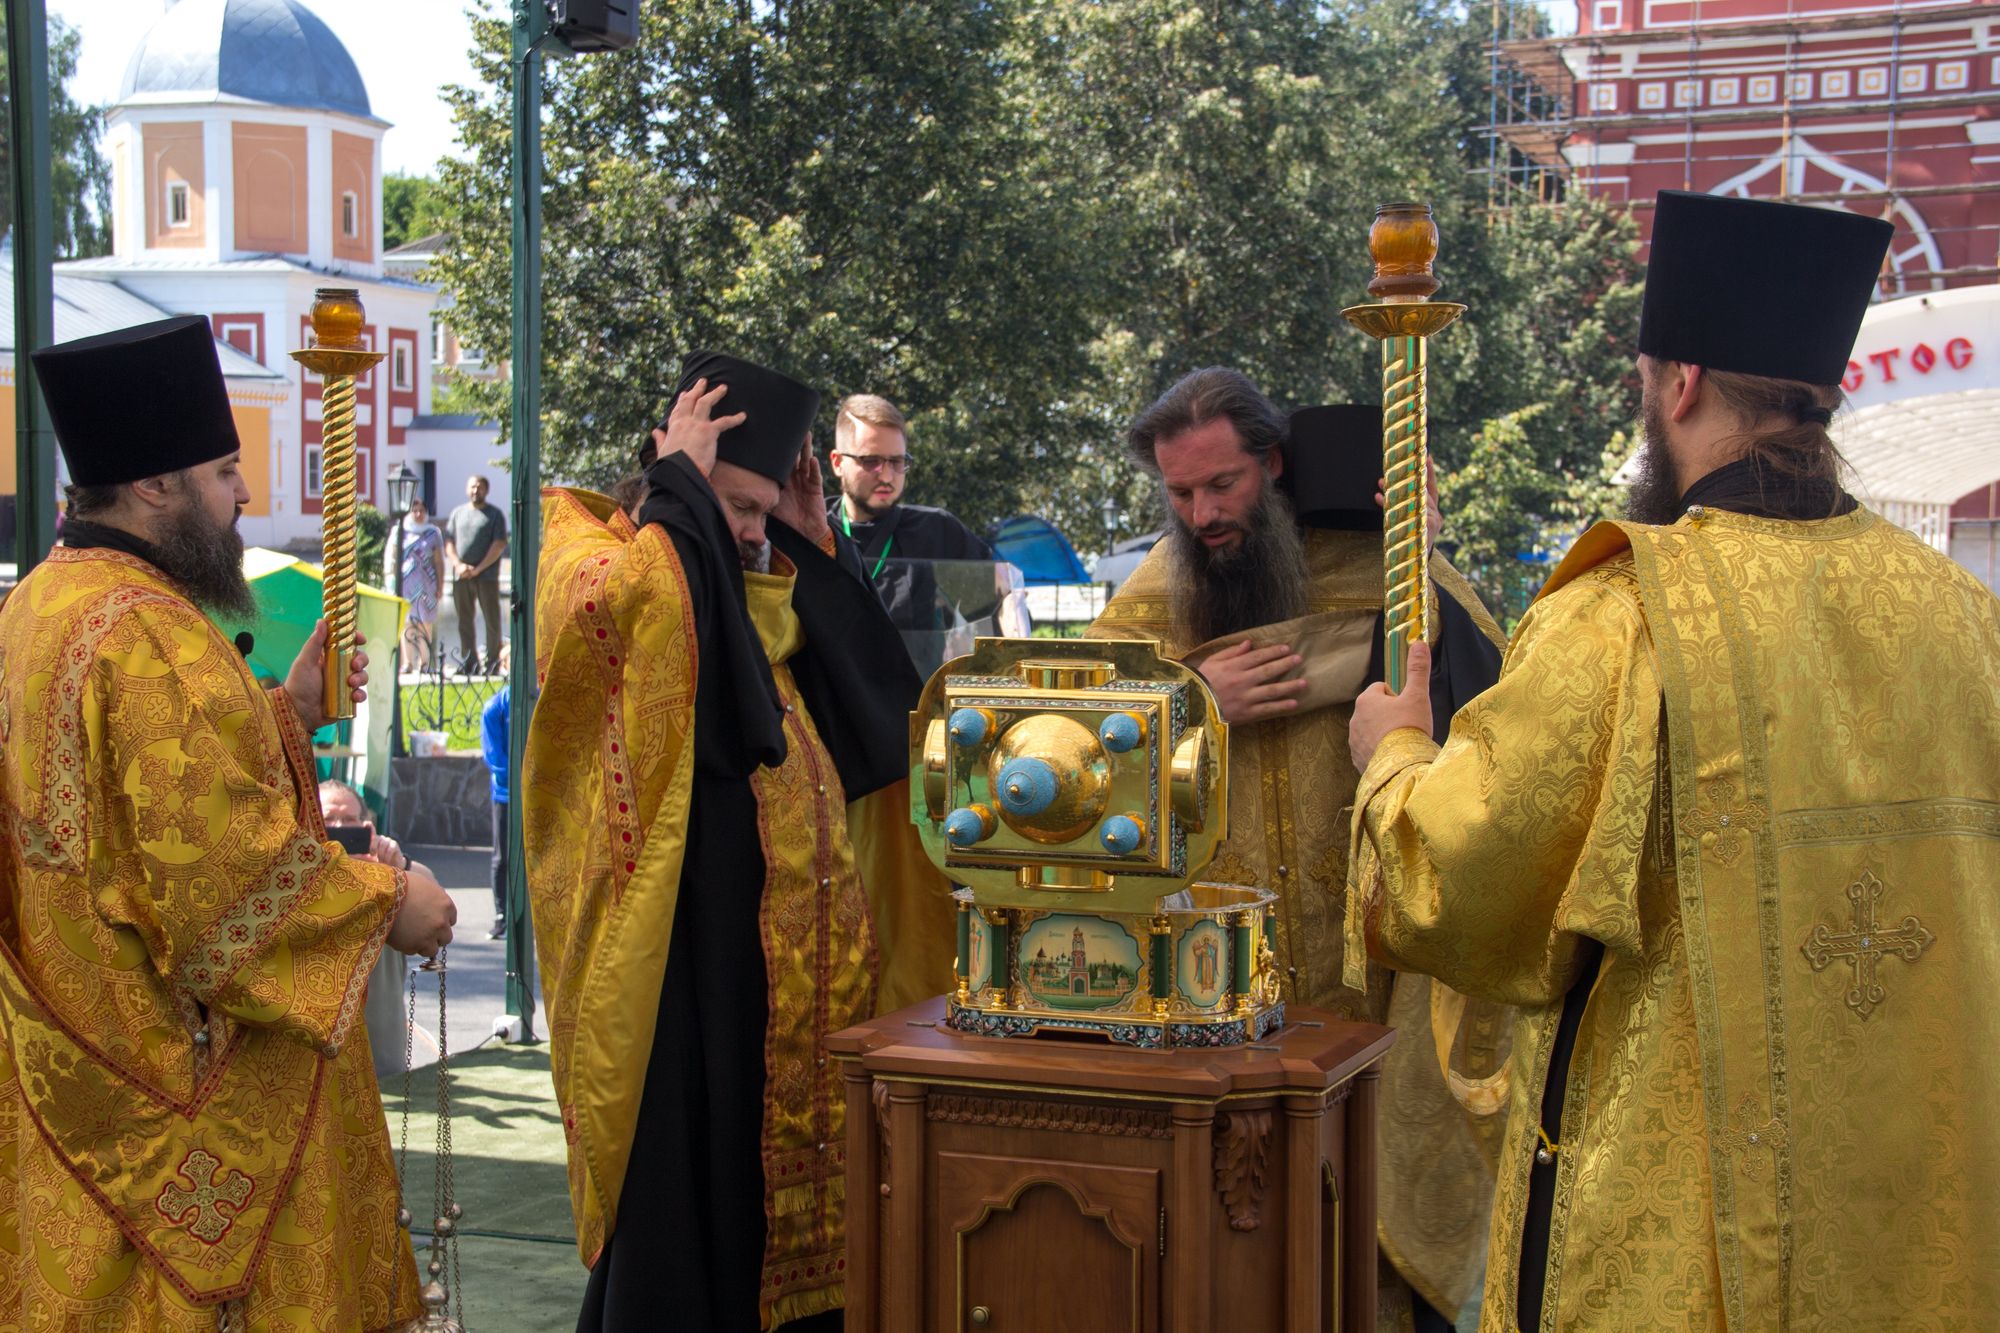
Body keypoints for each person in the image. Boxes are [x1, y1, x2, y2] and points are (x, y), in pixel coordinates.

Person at [1346, 191, 2000, 1330]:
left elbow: (1456, 884)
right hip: (1921, 1215)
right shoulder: (1962, 613)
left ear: (1681, 384)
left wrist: (1392, 751)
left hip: (1688, 1235)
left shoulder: (1622, 619)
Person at [0, 315, 458, 1331]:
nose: (245, 493)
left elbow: (132, 812)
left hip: (77, 1082)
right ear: (153, 484)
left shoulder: (36, 608)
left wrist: (286, 710)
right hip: (173, 1095)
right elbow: (220, 893)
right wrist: (390, 903)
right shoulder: (149, 633)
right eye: (223, 470)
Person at [526, 352, 943, 1332]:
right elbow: (643, 628)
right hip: (684, 986)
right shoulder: (589, 550)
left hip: (792, 997)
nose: (753, 533)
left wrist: (810, 545)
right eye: (740, 507)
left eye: (763, 510)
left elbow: (870, 721)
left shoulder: (753, 584)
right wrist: (682, 489)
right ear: (668, 476)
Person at [1088, 371, 1508, 1332]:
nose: (1202, 515)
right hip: (1214, 990)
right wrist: (1194, 702)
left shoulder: (1384, 569)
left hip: (1370, 979)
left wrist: (1421, 555)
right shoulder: (1160, 591)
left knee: (1365, 1240)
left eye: (1223, 484)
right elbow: (1071, 739)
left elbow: (1495, 701)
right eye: (1180, 493)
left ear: (1273, 464)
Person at [824, 393, 995, 672]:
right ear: (837, 462)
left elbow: (997, 608)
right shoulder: (811, 528)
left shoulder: (937, 531)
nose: (886, 476)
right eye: (870, 461)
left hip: (914, 695)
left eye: (896, 461)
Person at [445, 473, 508, 675]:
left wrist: (479, 568)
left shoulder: (495, 515)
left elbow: (499, 544)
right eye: (472, 486)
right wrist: (458, 565)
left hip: (486, 576)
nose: (475, 490)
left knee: (492, 621)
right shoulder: (457, 513)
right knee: (464, 621)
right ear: (467, 489)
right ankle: (468, 663)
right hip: (461, 576)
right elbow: (449, 542)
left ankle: (492, 664)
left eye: (479, 487)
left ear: (486, 490)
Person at [388, 494, 444, 672]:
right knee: (407, 623)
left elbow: (439, 561)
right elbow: (392, 558)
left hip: (427, 585)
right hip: (405, 585)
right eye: (415, 510)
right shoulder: (400, 531)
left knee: (425, 623)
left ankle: (425, 663)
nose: (418, 514)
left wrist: (440, 585)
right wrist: (391, 582)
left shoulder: (433, 533)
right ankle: (408, 663)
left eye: (422, 511)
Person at [481, 683, 511, 939]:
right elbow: (494, 759)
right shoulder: (494, 708)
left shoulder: (538, 700)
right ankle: (501, 915)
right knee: (502, 857)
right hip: (506, 794)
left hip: (535, 790)